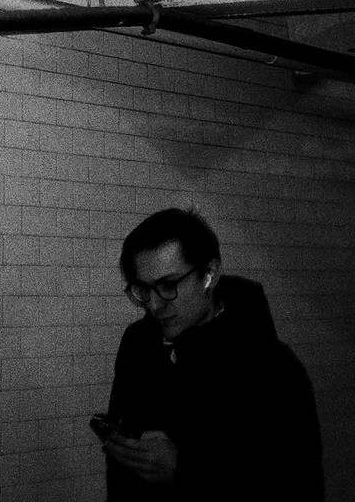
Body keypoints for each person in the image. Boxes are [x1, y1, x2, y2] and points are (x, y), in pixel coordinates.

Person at [98, 207, 323, 500]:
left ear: (210, 275)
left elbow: (298, 482)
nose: (154, 304)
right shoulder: (138, 344)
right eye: (143, 288)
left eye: (168, 285)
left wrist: (185, 471)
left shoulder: (272, 366)